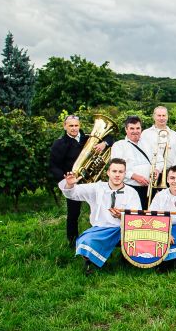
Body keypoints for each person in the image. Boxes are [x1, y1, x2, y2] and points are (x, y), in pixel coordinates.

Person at [59, 158, 141, 274]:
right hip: (100, 229)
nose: (117, 175)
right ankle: (91, 262)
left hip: (123, 229)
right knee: (86, 240)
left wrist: (121, 216)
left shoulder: (131, 192)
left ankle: (126, 259)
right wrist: (69, 184)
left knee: (139, 238)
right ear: (108, 172)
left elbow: (136, 216)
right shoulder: (97, 188)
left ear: (125, 174)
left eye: (121, 172)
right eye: (114, 171)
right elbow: (73, 194)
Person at [49, 114, 110, 248]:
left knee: (98, 210)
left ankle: (98, 240)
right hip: (73, 183)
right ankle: (73, 242)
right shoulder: (59, 144)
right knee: (73, 214)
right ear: (65, 126)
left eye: (76, 125)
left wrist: (104, 144)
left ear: (79, 125)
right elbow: (54, 166)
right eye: (71, 125)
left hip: (91, 181)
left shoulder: (88, 138)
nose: (74, 128)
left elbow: (111, 138)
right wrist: (65, 180)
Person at [139, 106, 176, 201]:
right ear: (154, 116)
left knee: (171, 201)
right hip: (152, 173)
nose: (161, 118)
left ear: (167, 117)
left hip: (171, 173)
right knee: (150, 201)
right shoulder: (145, 134)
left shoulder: (174, 135)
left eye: (164, 115)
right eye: (159, 115)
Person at [110, 116, 152, 207]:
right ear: (126, 129)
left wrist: (157, 170)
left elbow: (159, 160)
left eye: (138, 128)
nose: (135, 131)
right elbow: (116, 167)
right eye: (132, 128)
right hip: (130, 187)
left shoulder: (148, 143)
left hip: (149, 188)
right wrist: (134, 176)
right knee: (131, 213)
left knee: (147, 214)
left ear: (141, 129)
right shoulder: (119, 145)